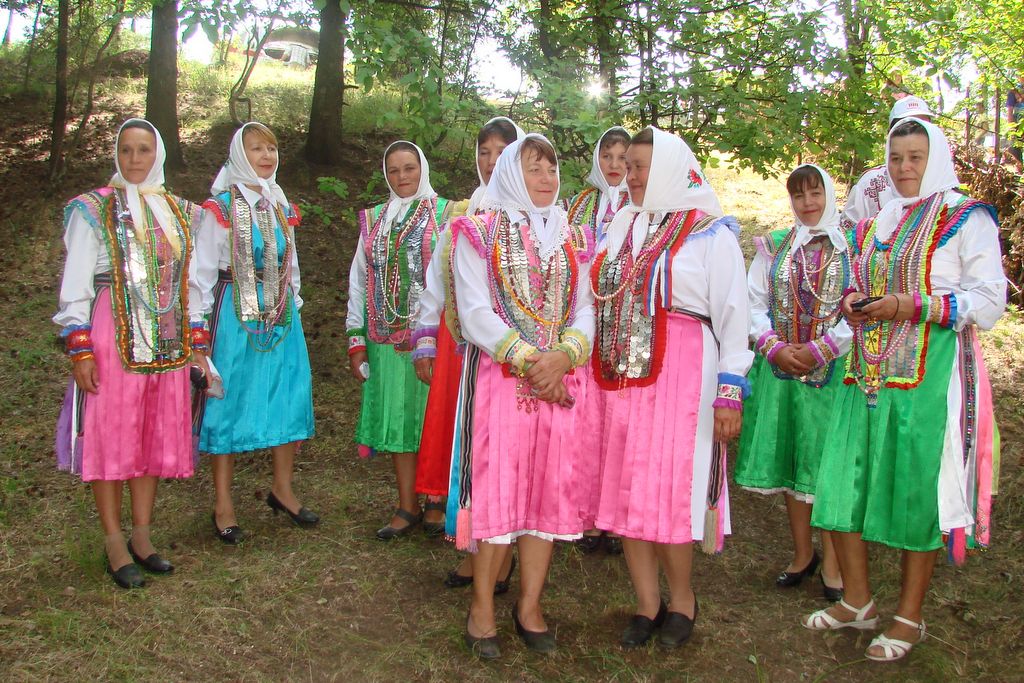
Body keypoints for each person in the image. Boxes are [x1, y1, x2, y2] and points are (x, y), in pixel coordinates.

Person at [804, 119, 1004, 662]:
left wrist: (915, 306)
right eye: (895, 158)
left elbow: (989, 302)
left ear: (935, 158)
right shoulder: (878, 222)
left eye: (915, 157)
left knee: (917, 489)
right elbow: (859, 280)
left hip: (929, 373)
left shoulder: (966, 217)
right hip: (865, 371)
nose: (904, 167)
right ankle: (857, 600)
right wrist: (854, 300)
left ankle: (909, 617)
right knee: (841, 481)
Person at [588, 127, 752, 649]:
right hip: (622, 372)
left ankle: (682, 599)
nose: (631, 177)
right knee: (626, 483)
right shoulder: (621, 226)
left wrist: (730, 390)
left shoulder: (710, 232)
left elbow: (733, 314)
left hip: (684, 372)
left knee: (670, 485)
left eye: (640, 167)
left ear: (667, 170)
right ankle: (646, 603)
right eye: (629, 167)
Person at [449, 134, 595, 658]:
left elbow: (585, 309)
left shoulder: (575, 237)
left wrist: (565, 357)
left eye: (552, 169)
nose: (546, 179)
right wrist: (535, 362)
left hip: (560, 385)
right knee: (501, 494)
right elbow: (474, 312)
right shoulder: (477, 231)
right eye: (534, 168)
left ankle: (530, 606)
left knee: (546, 493)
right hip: (501, 383)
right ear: (511, 173)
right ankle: (482, 607)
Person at [54, 118, 203, 588]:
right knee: (112, 430)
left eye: (143, 150)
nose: (134, 159)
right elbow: (75, 283)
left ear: (157, 154)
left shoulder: (180, 211)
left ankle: (142, 534)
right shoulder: (93, 209)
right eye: (126, 150)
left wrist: (197, 343)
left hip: (165, 336)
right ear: (116, 155)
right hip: (111, 330)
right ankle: (113, 539)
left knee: (150, 431)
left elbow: (190, 283)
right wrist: (80, 349)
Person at [411, 118, 523, 593]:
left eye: (501, 152)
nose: (490, 160)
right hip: (462, 348)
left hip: (510, 358)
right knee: (467, 451)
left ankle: (504, 555)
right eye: (483, 151)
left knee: (503, 454)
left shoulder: (530, 213)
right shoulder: (461, 212)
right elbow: (437, 279)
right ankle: (472, 546)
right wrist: (425, 337)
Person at [194, 122, 317, 543]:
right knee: (228, 400)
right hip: (234, 315)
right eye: (256, 148)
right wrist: (199, 329)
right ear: (239, 154)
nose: (266, 155)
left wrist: (292, 305)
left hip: (282, 317)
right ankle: (223, 502)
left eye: (271, 147)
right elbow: (202, 273)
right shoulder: (221, 209)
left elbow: (291, 265)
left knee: (288, 394)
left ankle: (282, 489)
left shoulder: (281, 206)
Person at [734, 164, 850, 601]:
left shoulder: (853, 245)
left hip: (835, 375)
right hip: (781, 371)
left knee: (828, 467)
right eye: (799, 195)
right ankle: (804, 554)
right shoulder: (776, 246)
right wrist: (772, 346)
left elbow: (859, 306)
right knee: (793, 462)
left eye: (815, 192)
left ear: (829, 193)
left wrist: (823, 349)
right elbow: (754, 302)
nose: (808, 203)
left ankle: (836, 563)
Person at [347, 141, 452, 539]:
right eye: (394, 170)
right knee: (398, 420)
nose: (402, 177)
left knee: (431, 418)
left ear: (422, 169)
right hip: (385, 339)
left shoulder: (445, 213)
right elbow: (358, 280)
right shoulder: (374, 219)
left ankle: (437, 499)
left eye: (409, 168)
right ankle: (406, 502)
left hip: (431, 339)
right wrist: (355, 337)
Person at [568, 125, 632, 556]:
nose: (613, 165)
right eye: (606, 156)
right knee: (586, 421)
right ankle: (587, 515)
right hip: (584, 321)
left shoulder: (641, 203)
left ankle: (618, 515)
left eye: (622, 158)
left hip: (626, 325)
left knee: (620, 420)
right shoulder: (579, 203)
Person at [840, 95, 934, 232]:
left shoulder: (945, 185)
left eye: (922, 127)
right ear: (891, 133)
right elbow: (846, 235)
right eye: (906, 126)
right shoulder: (871, 183)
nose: (915, 133)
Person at [1006, 75, 1024, 166]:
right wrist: (1012, 130)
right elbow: (1009, 111)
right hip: (1018, 126)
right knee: (1015, 150)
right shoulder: (1013, 92)